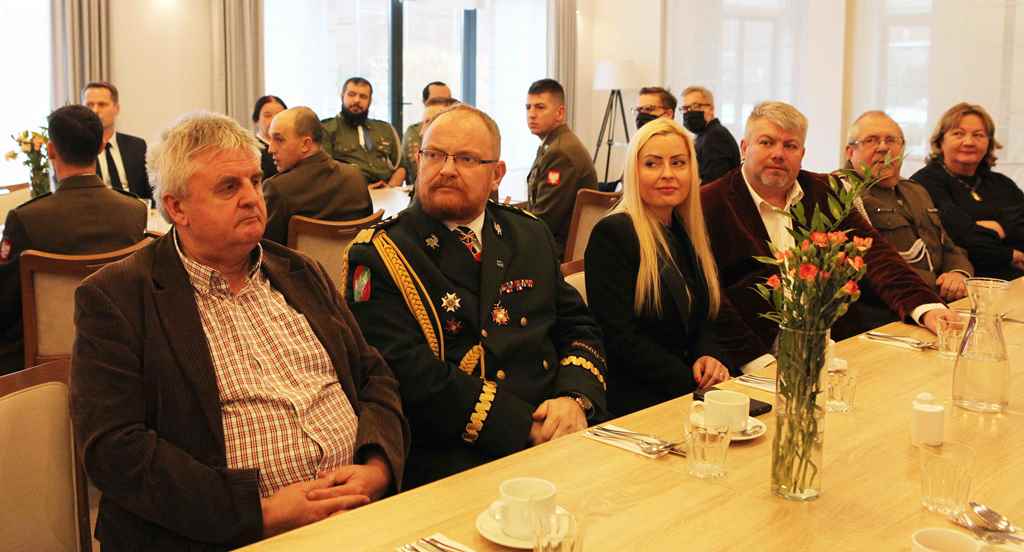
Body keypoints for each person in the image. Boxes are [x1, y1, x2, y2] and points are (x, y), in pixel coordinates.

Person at [70, 112, 409, 550]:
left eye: (255, 180)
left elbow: (374, 376)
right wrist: (260, 513)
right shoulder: (117, 297)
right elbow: (114, 449)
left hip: (358, 517)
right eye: (229, 187)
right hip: (223, 537)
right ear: (177, 208)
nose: (252, 198)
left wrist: (377, 466)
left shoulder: (299, 271)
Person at [346, 104, 607, 488]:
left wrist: (574, 398)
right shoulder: (379, 254)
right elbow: (409, 374)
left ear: (496, 174)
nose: (447, 169)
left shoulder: (528, 233)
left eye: (466, 159)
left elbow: (578, 326)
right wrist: (523, 427)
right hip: (460, 453)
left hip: (560, 429)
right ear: (418, 160)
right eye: (435, 155)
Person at [701, 101, 949, 369]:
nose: (778, 154)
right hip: (754, 356)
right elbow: (711, 295)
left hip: (835, 348)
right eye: (766, 142)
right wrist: (757, 363)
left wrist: (928, 308)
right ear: (744, 147)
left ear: (802, 153)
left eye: (790, 146)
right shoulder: (709, 203)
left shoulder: (825, 191)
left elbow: (876, 255)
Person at [585, 118, 730, 416]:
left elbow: (703, 316)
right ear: (634, 172)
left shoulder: (685, 230)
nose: (668, 174)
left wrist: (709, 356)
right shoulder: (613, 234)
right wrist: (690, 383)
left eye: (678, 163)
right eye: (652, 164)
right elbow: (619, 338)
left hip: (689, 391)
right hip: (638, 400)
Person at [0, 105, 146, 375]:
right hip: (121, 350)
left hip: (41, 362)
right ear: (101, 147)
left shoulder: (27, 218)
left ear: (51, 150)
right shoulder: (134, 212)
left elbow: (5, 303)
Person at [847, 111, 973, 301]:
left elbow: (948, 246)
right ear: (850, 152)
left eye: (891, 140)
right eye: (871, 140)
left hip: (940, 300)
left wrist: (958, 274)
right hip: (892, 307)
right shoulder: (844, 193)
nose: (883, 147)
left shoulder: (916, 191)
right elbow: (865, 267)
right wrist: (939, 285)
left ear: (902, 148)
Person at [911, 102, 1024, 280]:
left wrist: (998, 229)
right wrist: (1009, 253)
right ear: (941, 141)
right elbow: (958, 238)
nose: (969, 142)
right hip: (959, 282)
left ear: (989, 142)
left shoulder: (1002, 184)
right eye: (958, 134)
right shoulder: (924, 183)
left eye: (978, 135)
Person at [262, 106, 372, 245]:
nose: (270, 149)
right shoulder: (355, 177)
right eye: (270, 139)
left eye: (279, 140)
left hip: (300, 260)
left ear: (305, 144)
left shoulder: (277, 189)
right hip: (352, 258)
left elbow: (266, 249)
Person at [526, 78, 598, 257]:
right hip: (551, 246)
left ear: (559, 113)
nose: (532, 114)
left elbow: (544, 221)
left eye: (540, 107)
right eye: (528, 107)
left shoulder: (560, 153)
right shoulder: (553, 144)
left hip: (554, 253)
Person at [322, 77, 405, 189]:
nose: (357, 100)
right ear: (342, 96)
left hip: (386, 191)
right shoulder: (327, 129)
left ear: (370, 101)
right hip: (349, 193)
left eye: (363, 96)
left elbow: (401, 167)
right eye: (351, 95)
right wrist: (362, 190)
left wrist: (390, 188)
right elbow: (324, 172)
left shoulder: (385, 128)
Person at [82, 81, 151, 199]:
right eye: (89, 105)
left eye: (102, 104)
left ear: (116, 108)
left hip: (135, 207)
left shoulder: (137, 146)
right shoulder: (78, 149)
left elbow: (150, 190)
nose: (95, 110)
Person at [680, 86, 741, 184]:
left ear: (711, 109)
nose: (689, 112)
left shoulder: (715, 137)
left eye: (695, 106)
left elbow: (714, 184)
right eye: (685, 108)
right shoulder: (704, 135)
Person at [401, 82, 453, 187]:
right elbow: (414, 172)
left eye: (447, 101)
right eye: (435, 101)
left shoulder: (464, 133)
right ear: (425, 103)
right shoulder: (414, 132)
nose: (442, 106)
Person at [251, 95, 288, 179]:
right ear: (256, 120)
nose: (274, 120)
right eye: (267, 115)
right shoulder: (252, 150)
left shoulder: (290, 146)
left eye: (279, 116)